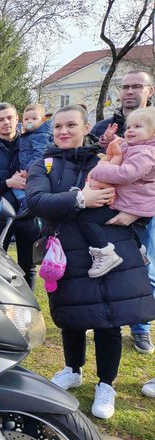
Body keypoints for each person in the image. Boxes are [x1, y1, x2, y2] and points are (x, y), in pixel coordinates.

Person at [26, 104, 155, 419]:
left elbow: (141, 189)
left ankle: (106, 384)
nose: (63, 131)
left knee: (108, 319)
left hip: (108, 251)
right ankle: (72, 369)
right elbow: (36, 202)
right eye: (57, 126)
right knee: (72, 315)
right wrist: (80, 199)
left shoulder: (106, 159)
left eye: (71, 125)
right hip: (66, 253)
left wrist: (137, 214)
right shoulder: (42, 164)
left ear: (86, 128)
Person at [92, 70, 155, 354]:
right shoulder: (108, 126)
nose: (130, 91)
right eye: (125, 86)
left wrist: (140, 212)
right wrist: (104, 145)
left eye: (136, 86)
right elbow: (93, 157)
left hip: (145, 217)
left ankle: (141, 327)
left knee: (144, 271)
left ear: (149, 91)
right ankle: (109, 320)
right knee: (108, 266)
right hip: (111, 208)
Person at [75, 107, 155, 277]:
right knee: (125, 228)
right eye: (129, 127)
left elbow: (127, 173)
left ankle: (104, 253)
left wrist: (99, 171)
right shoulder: (139, 145)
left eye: (137, 127)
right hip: (128, 199)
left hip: (130, 202)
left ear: (153, 133)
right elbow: (123, 146)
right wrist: (109, 140)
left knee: (87, 218)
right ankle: (139, 249)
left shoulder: (146, 153)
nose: (130, 130)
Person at [0, 102, 39, 289]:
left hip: (28, 215)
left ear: (17, 118)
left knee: (28, 266)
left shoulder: (31, 147)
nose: (6, 123)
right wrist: (7, 183)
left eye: (10, 118)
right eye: (1, 119)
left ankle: (29, 309)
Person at [14, 103, 53, 214]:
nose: (29, 121)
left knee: (22, 191)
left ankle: (26, 205)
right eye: (26, 119)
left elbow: (40, 154)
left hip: (34, 172)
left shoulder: (41, 135)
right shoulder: (29, 135)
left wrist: (28, 170)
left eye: (34, 118)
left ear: (43, 120)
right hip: (29, 172)